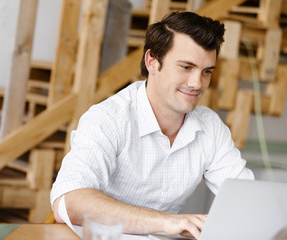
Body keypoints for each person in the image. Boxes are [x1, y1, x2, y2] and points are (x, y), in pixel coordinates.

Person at [50, 11, 254, 239]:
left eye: (206, 72)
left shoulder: (211, 128)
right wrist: (164, 220)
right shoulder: (108, 118)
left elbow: (247, 200)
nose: (197, 84)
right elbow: (70, 200)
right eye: (186, 67)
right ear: (152, 62)